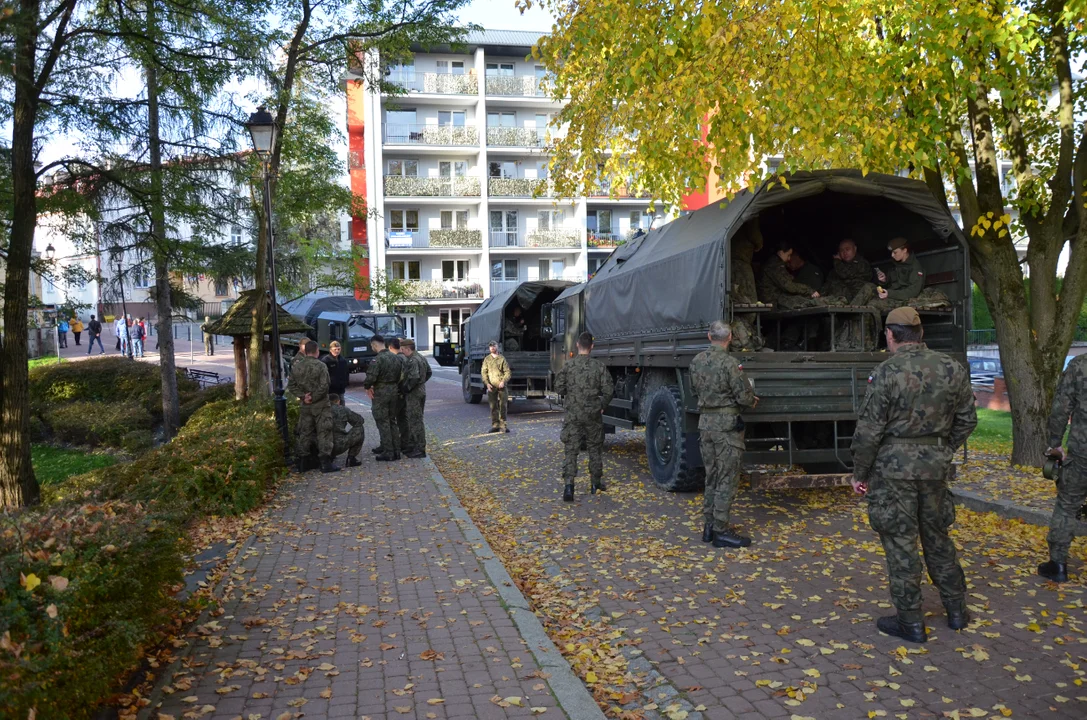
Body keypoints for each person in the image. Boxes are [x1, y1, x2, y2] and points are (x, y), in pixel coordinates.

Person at [849, 306, 977, 643]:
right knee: (937, 536)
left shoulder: (886, 372)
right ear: (921, 334)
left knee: (900, 541)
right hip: (935, 467)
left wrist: (859, 473)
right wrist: (941, 448)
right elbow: (967, 420)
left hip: (893, 469)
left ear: (890, 335)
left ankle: (911, 622)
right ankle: (956, 611)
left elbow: (869, 431)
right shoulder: (952, 368)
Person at [690, 321, 758, 548]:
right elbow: (743, 398)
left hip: (705, 424)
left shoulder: (696, 362)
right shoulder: (731, 364)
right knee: (727, 479)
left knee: (712, 476)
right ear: (729, 338)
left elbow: (693, 391)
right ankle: (721, 531)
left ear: (710, 337)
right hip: (727, 428)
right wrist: (752, 399)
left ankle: (709, 526)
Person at [1039, 354, 1087, 583]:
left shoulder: (1080, 365)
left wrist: (1055, 443)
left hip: (1082, 454)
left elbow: (1061, 407)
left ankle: (1058, 564)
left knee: (1067, 505)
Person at [553, 331, 614, 501]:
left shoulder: (568, 366)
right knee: (595, 448)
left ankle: (569, 487)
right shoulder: (599, 367)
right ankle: (595, 484)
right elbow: (609, 389)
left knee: (571, 450)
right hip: (593, 414)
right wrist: (602, 405)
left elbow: (558, 387)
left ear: (578, 345)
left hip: (573, 413)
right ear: (592, 347)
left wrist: (570, 395)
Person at [286, 339, 338, 473]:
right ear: (317, 351)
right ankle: (325, 463)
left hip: (306, 405)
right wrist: (314, 397)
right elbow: (325, 385)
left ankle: (302, 463)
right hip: (321, 405)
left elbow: (291, 386)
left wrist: (304, 396)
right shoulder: (321, 366)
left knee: (305, 432)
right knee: (324, 431)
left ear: (305, 350)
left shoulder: (297, 366)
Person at [363, 334, 404, 461]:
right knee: (392, 421)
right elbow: (399, 376)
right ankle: (396, 451)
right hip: (393, 391)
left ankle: (388, 451)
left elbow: (371, 377)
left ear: (375, 345)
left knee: (383, 421)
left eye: (372, 346)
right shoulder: (396, 358)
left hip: (381, 392)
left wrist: (367, 386)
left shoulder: (378, 359)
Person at [856, 237, 926, 310]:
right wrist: (884, 280)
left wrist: (889, 293)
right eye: (892, 252)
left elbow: (913, 292)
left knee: (872, 305)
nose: (892, 255)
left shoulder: (915, 267)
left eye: (895, 252)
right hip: (889, 294)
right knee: (868, 286)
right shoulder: (896, 264)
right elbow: (891, 283)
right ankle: (848, 312)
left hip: (901, 299)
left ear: (904, 250)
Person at [757, 240, 823, 309]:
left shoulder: (775, 264)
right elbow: (788, 286)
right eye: (788, 255)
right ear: (781, 253)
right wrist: (809, 290)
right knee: (805, 302)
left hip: (774, 299)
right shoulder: (774, 266)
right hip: (772, 301)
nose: (789, 258)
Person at [398, 339, 432, 458]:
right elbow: (429, 372)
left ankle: (420, 448)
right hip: (421, 391)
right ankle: (412, 446)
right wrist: (421, 383)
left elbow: (414, 378)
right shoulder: (421, 357)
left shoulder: (413, 360)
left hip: (414, 393)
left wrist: (405, 389)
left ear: (407, 349)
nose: (401, 352)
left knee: (415, 421)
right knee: (414, 419)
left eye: (402, 349)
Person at [823, 238, 875, 304]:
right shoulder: (836, 269)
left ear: (855, 249)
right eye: (841, 250)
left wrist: (837, 261)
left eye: (847, 249)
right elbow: (828, 284)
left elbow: (845, 275)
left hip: (857, 300)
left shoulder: (861, 263)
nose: (845, 253)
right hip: (837, 301)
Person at [481, 340, 512, 433]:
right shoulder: (487, 359)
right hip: (491, 386)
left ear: (497, 347)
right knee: (493, 406)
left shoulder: (502, 359)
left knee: (503, 406)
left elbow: (508, 372)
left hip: (501, 386)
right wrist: (487, 383)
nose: (492, 348)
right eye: (490, 346)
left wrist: (503, 381)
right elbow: (484, 372)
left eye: (494, 346)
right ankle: (495, 425)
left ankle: (503, 426)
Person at [328, 393, 364, 467]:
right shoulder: (343, 409)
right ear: (338, 401)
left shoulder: (321, 411)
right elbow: (359, 421)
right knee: (359, 428)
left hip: (323, 446)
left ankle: (325, 459)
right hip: (340, 444)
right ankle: (351, 458)